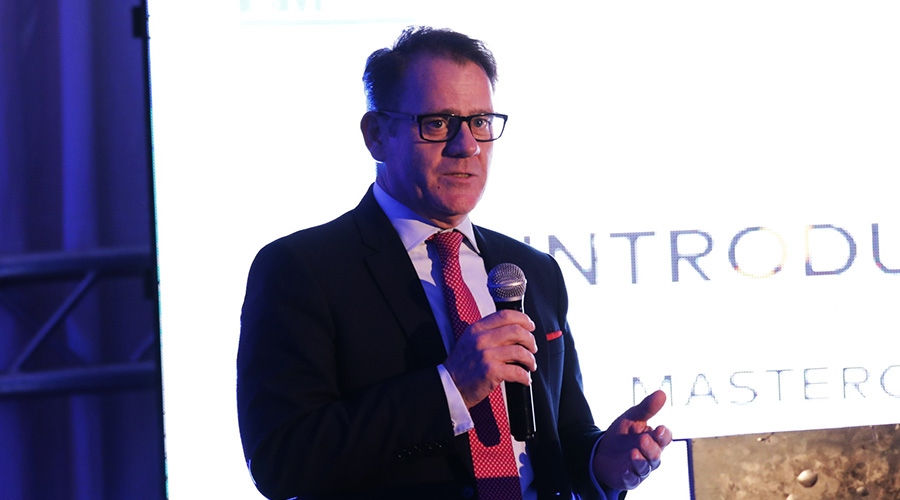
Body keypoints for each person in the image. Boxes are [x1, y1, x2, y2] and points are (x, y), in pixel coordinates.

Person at [237, 26, 671, 500]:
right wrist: (451, 388)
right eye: (438, 123)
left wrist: (600, 463)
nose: (467, 146)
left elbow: (562, 436)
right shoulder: (302, 269)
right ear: (376, 135)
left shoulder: (531, 270)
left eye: (480, 121)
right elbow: (281, 461)